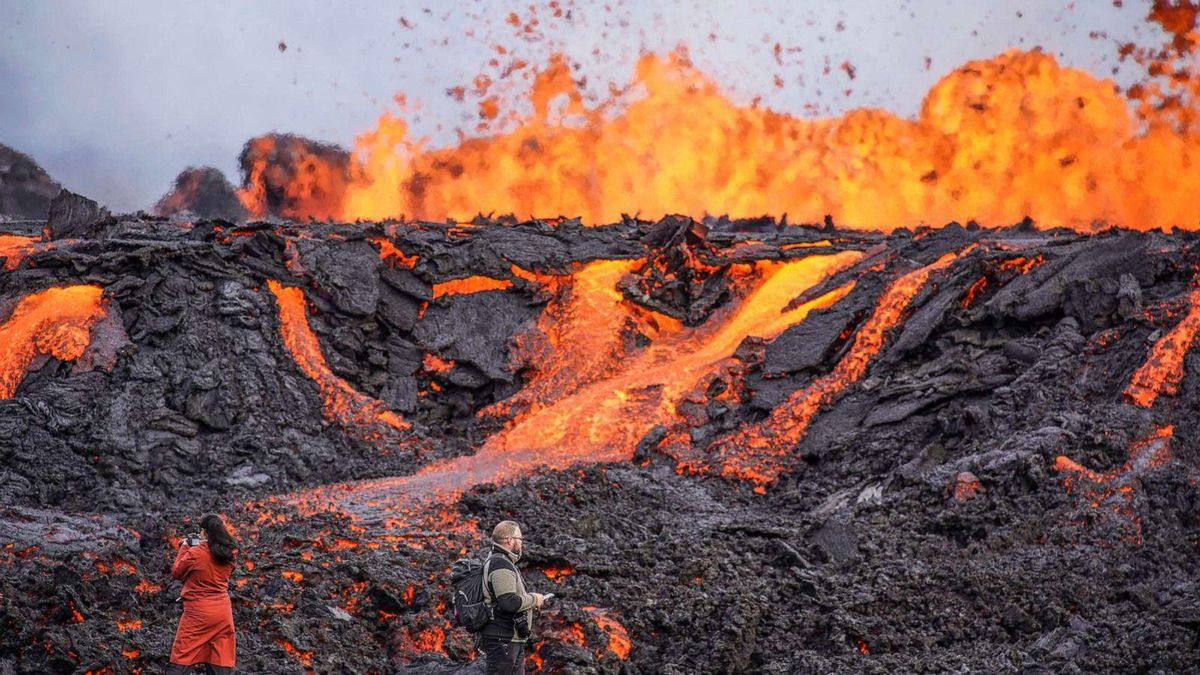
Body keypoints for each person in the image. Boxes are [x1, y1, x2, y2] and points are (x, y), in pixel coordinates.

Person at [166, 514, 239, 675]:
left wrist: (186, 546)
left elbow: (177, 572)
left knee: (182, 655)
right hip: (222, 614)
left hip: (198, 614)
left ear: (204, 532)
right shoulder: (231, 552)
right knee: (219, 657)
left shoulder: (196, 553)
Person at [479, 520, 550, 675]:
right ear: (510, 540)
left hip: (510, 638)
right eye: (520, 539)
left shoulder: (501, 561)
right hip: (503, 639)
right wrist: (534, 599)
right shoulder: (500, 565)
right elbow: (508, 602)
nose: (521, 543)